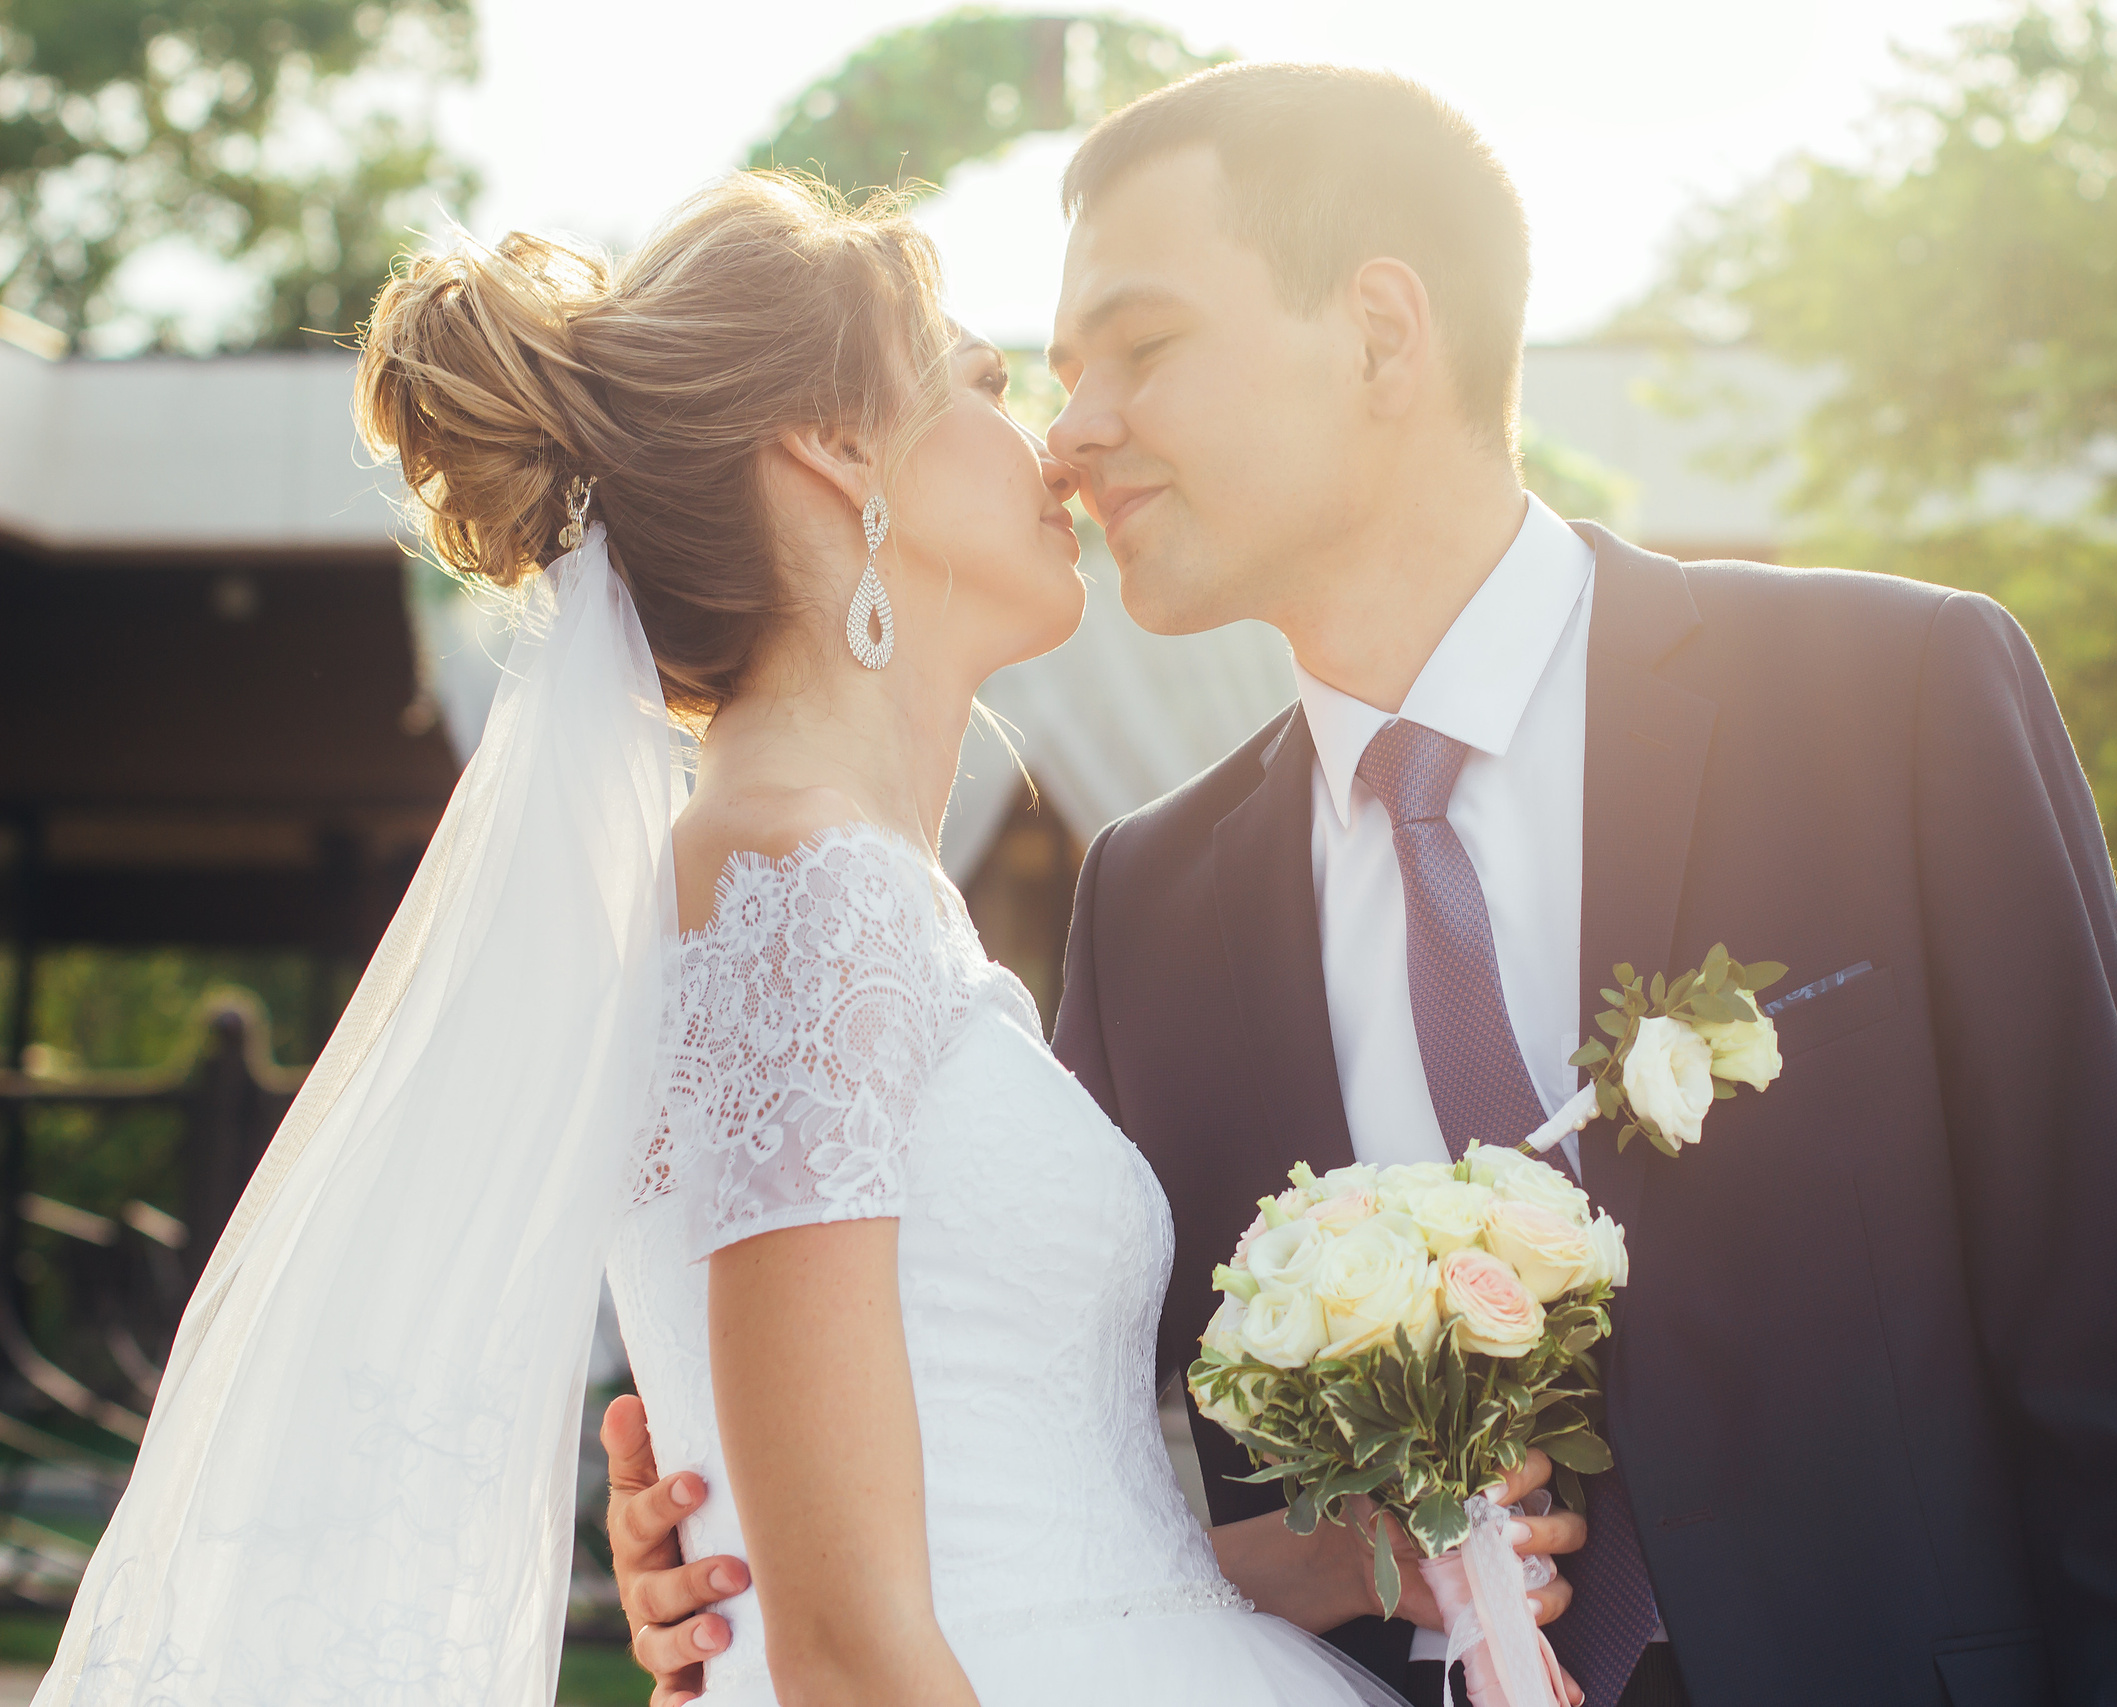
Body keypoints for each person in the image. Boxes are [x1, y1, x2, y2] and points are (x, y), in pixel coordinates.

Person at [614, 62, 2117, 1707]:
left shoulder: (1896, 702)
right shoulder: (1154, 901)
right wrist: (726, 1549)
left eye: (1141, 347)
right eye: (1052, 374)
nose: (1075, 433)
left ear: (1382, 331)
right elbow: (1073, 1445)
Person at [38, 171, 1588, 1707]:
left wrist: (1354, 1562)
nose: (1051, 438)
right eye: (984, 382)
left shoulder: (844, 891)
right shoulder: (798, 887)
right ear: (841, 451)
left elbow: (1016, 1552)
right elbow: (848, 1653)